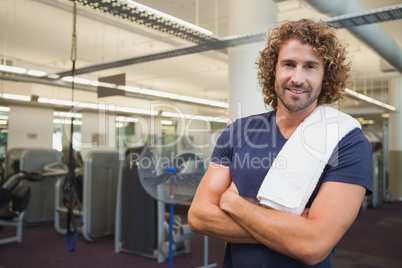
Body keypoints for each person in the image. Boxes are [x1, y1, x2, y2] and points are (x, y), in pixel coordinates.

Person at [187, 18, 373, 267]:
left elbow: (313, 245)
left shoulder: (347, 142)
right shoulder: (238, 132)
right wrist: (292, 229)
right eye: (288, 64)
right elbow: (199, 217)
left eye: (310, 66)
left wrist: (234, 204)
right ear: (273, 69)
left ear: (324, 75)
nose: (297, 78)